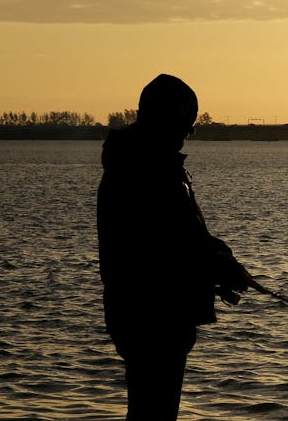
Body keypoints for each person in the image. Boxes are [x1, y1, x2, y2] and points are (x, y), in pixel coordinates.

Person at [97, 73, 261, 420]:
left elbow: (183, 238)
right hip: (153, 316)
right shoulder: (146, 169)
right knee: (153, 413)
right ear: (167, 120)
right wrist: (221, 266)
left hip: (151, 312)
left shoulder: (146, 164)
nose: (187, 137)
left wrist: (220, 259)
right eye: (186, 127)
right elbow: (162, 247)